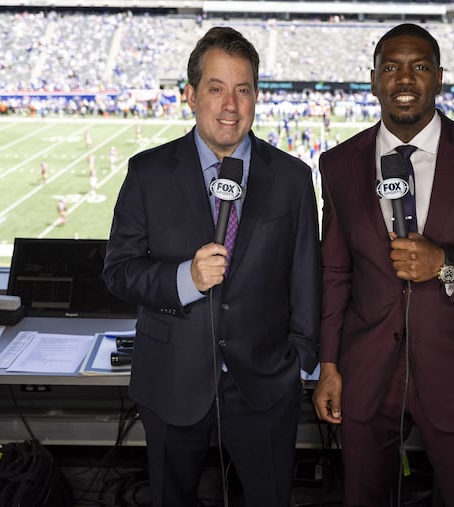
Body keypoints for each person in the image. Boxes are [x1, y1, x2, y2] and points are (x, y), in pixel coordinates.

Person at [312, 23, 454, 507]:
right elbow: (335, 273)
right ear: (373, 80)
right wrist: (329, 364)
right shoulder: (338, 165)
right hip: (366, 372)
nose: (405, 79)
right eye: (391, 67)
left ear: (439, 77)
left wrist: (446, 264)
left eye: (419, 67)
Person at [103, 26, 321, 507]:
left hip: (264, 382)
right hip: (173, 376)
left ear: (256, 97)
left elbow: (307, 277)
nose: (230, 104)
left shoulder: (292, 178)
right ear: (190, 95)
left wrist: (300, 361)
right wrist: (186, 278)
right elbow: (118, 270)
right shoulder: (148, 172)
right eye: (216, 88)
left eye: (242, 90)